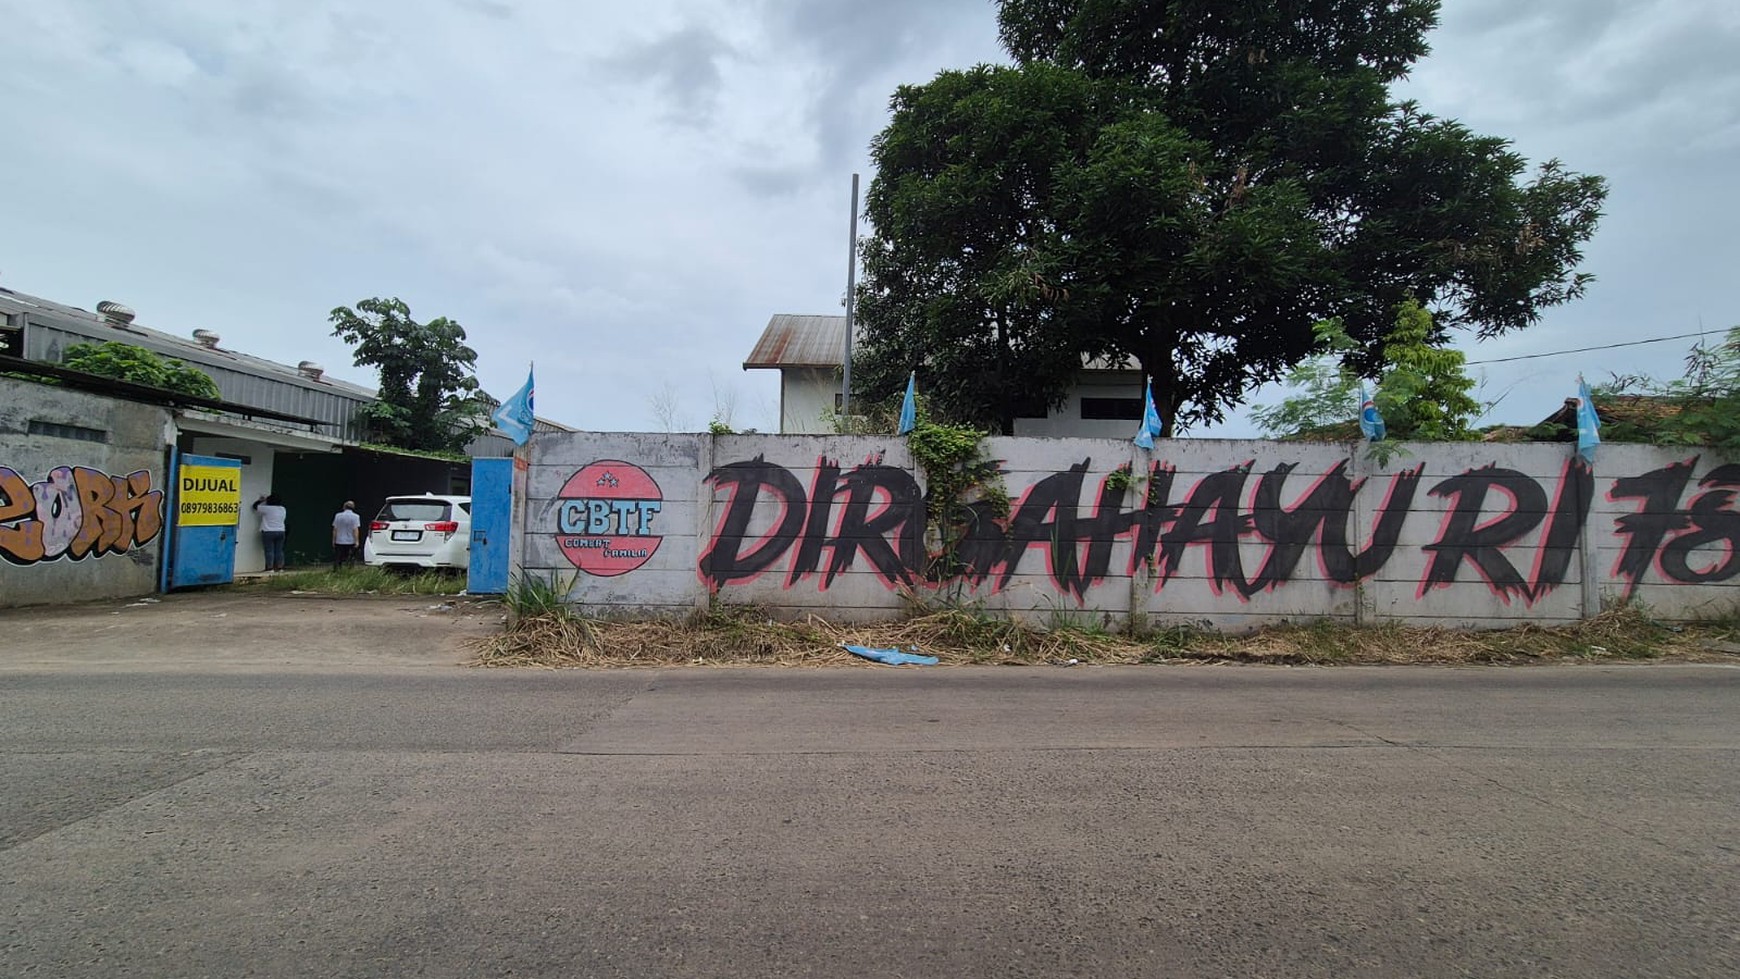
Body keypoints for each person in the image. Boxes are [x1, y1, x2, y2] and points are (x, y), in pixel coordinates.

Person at [251, 494, 287, 572]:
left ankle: (270, 568)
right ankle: (280, 567)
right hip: (281, 531)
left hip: (268, 532)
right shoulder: (283, 509)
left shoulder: (267, 509)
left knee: (269, 550)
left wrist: (261, 500)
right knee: (279, 550)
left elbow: (255, 506)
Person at [332, 500, 363, 572]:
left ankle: (336, 570)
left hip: (339, 540)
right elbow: (355, 529)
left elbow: (335, 529)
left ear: (344, 507)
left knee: (338, 557)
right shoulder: (356, 517)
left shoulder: (338, 516)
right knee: (351, 557)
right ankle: (349, 570)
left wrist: (333, 540)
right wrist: (357, 541)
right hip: (350, 541)